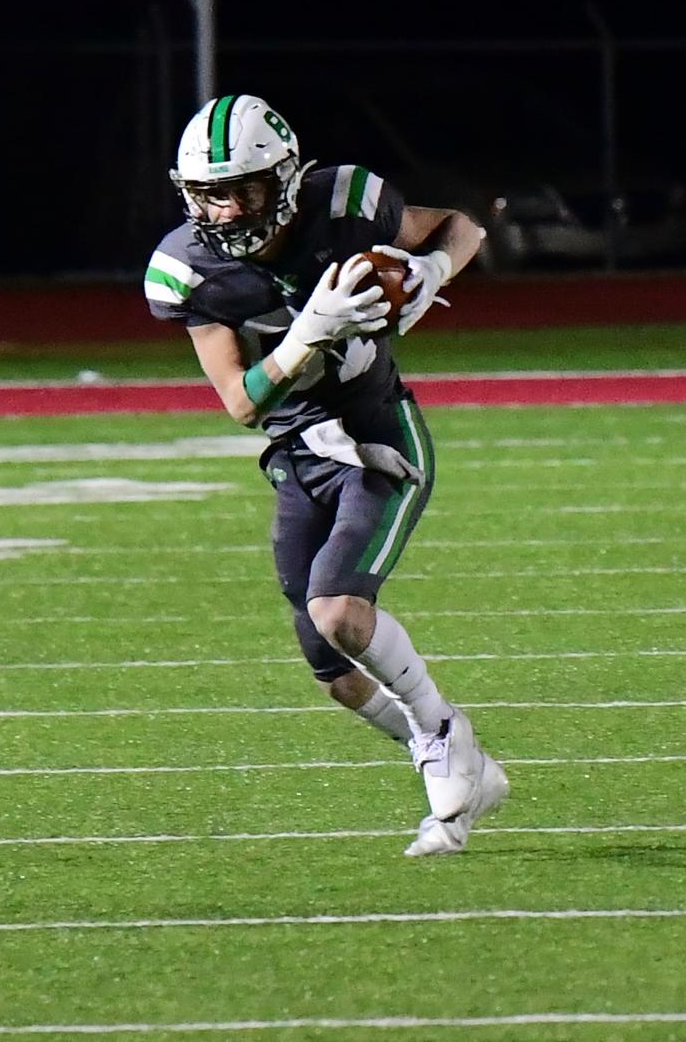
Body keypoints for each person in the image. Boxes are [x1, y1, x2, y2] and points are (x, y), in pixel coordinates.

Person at [144, 93, 508, 856]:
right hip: (299, 457)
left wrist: (431, 267)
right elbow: (242, 403)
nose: (228, 210)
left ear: (285, 179)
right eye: (211, 193)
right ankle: (455, 757)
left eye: (245, 188)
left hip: (379, 439)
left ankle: (443, 733)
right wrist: (306, 334)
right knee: (334, 670)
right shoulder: (187, 270)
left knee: (340, 611)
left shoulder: (345, 205)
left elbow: (462, 223)